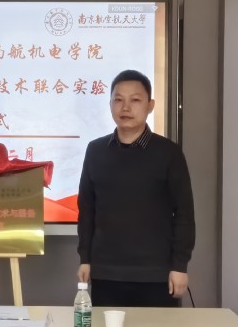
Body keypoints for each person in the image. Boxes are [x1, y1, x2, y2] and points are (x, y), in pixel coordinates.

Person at [77, 69, 195, 307]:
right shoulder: (95, 150)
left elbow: (184, 213)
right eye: (118, 100)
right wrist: (85, 259)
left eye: (135, 100)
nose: (125, 107)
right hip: (106, 272)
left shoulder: (168, 153)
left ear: (150, 105)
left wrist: (180, 266)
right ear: (110, 104)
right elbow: (87, 210)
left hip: (157, 274)